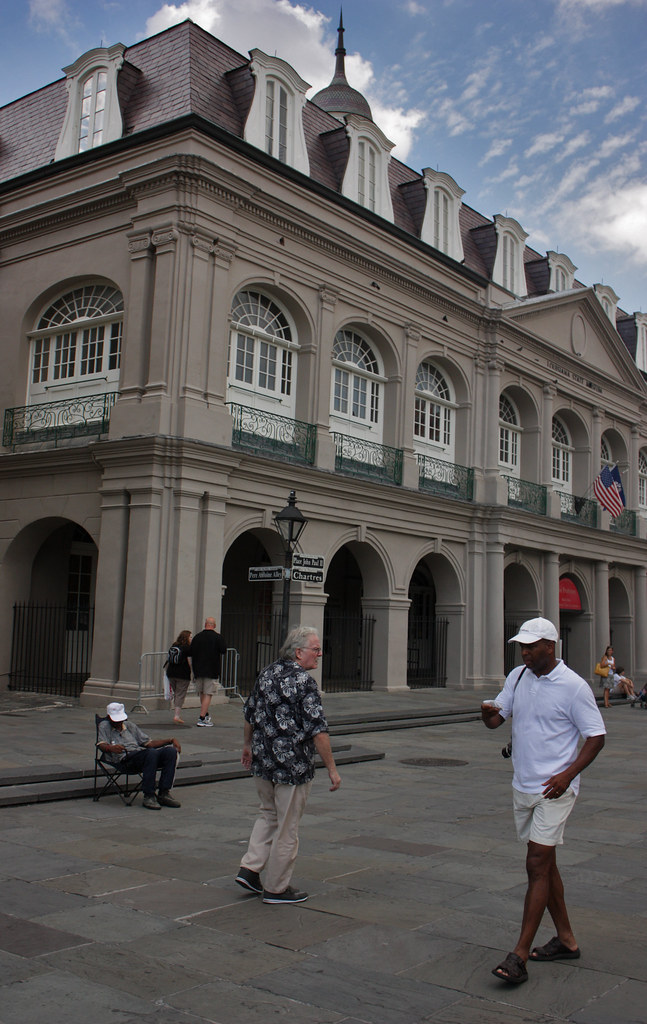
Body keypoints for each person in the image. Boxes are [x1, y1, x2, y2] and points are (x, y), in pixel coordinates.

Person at [481, 617, 605, 985]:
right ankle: (566, 940)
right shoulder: (518, 676)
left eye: (531, 646)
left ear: (550, 646)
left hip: (556, 788)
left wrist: (567, 775)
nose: (524, 652)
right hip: (524, 784)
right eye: (522, 646)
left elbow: (596, 736)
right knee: (546, 865)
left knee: (535, 862)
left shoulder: (573, 687)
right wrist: (488, 713)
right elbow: (497, 720)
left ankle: (519, 955)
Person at [235, 625, 341, 904]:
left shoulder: (267, 673)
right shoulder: (304, 682)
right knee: (287, 826)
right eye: (315, 649)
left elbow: (249, 713)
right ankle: (276, 887)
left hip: (263, 760)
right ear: (298, 652)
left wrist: (247, 746)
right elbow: (317, 730)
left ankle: (250, 868)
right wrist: (331, 768)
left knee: (268, 814)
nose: (319, 653)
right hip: (291, 767)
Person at [97, 702, 182, 810]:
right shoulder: (104, 726)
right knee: (151, 753)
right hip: (125, 759)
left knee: (170, 752)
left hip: (141, 755)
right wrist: (110, 748)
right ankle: (149, 795)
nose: (119, 722)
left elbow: (148, 743)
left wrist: (170, 740)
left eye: (120, 720)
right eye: (116, 720)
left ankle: (164, 793)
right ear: (109, 717)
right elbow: (101, 744)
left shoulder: (130, 726)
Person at [189, 617, 227, 726]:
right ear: (214, 625)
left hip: (198, 669)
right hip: (211, 669)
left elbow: (191, 651)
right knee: (208, 693)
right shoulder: (217, 637)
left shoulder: (197, 637)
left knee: (201, 692)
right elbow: (223, 650)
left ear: (205, 624)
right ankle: (202, 717)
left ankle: (205, 714)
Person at [165, 629, 193, 723]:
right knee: (180, 694)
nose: (191, 638)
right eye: (190, 637)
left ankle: (176, 711)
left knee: (177, 692)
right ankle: (177, 715)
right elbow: (189, 660)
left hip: (171, 672)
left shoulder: (174, 645)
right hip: (182, 674)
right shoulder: (187, 648)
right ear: (187, 638)